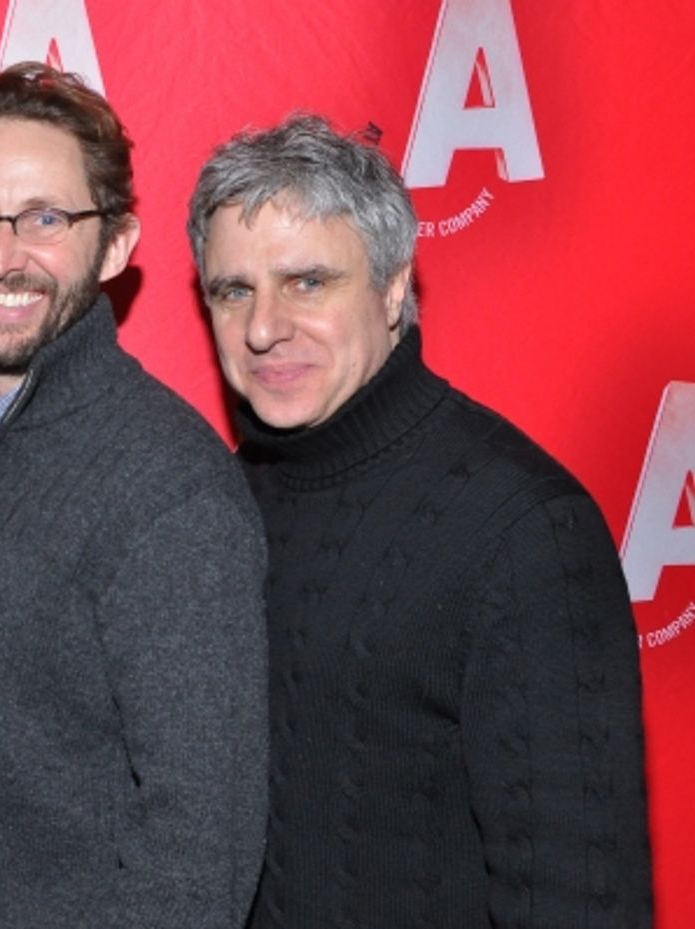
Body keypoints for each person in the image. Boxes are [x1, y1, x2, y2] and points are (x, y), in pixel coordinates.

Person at [187, 113, 652, 928]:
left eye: (307, 282)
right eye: (234, 290)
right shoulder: (216, 505)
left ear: (394, 287)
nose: (263, 328)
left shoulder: (524, 529)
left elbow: (582, 899)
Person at [0, 63, 268, 929]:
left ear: (116, 244)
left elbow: (205, 853)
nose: (3, 255)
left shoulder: (170, 486)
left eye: (46, 218)